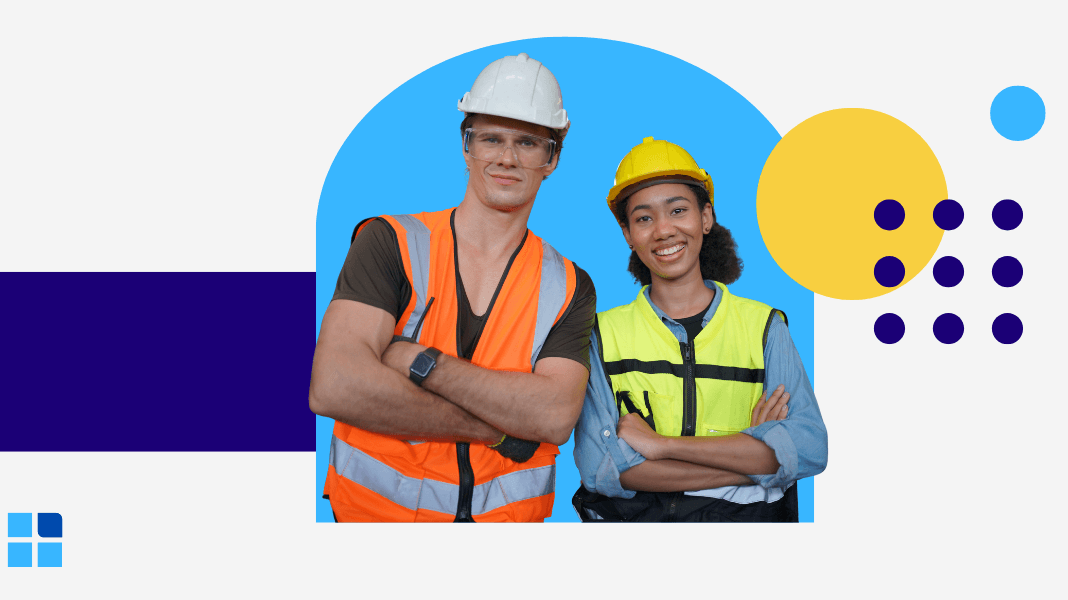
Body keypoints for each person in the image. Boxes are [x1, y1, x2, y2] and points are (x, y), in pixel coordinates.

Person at [310, 53, 596, 522]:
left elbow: (553, 416)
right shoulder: (390, 242)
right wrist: (496, 429)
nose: (506, 157)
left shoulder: (568, 284)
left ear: (552, 159)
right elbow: (335, 385)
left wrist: (422, 362)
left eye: (528, 142)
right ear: (467, 148)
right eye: (490, 139)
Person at [572, 137, 828, 522]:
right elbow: (602, 470)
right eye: (643, 218)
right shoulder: (602, 336)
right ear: (627, 233)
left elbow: (810, 450)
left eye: (678, 210)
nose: (663, 230)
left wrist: (661, 446)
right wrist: (752, 454)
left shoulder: (764, 328)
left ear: (706, 218)